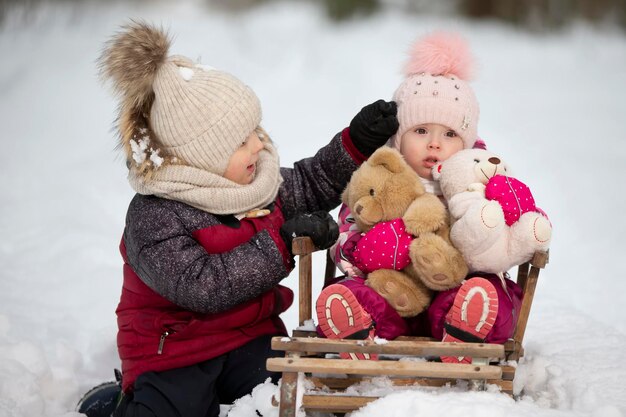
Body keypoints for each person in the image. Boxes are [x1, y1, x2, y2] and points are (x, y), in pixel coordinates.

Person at [76, 20, 398, 417]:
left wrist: (355, 144)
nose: (259, 144)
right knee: (176, 409)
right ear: (201, 158)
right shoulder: (154, 216)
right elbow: (204, 287)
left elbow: (312, 182)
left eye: (255, 131)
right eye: (241, 141)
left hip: (249, 337)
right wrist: (282, 242)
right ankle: (121, 404)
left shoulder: (254, 184)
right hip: (175, 351)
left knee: (283, 395)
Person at [315, 32, 523, 363]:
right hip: (391, 290)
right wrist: (361, 250)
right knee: (356, 293)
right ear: (399, 136)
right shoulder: (380, 176)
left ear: (467, 142)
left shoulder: (477, 181)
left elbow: (503, 239)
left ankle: (464, 330)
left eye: (450, 134)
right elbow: (347, 225)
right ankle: (356, 330)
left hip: (453, 289)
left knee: (489, 291)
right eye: (421, 130)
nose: (435, 144)